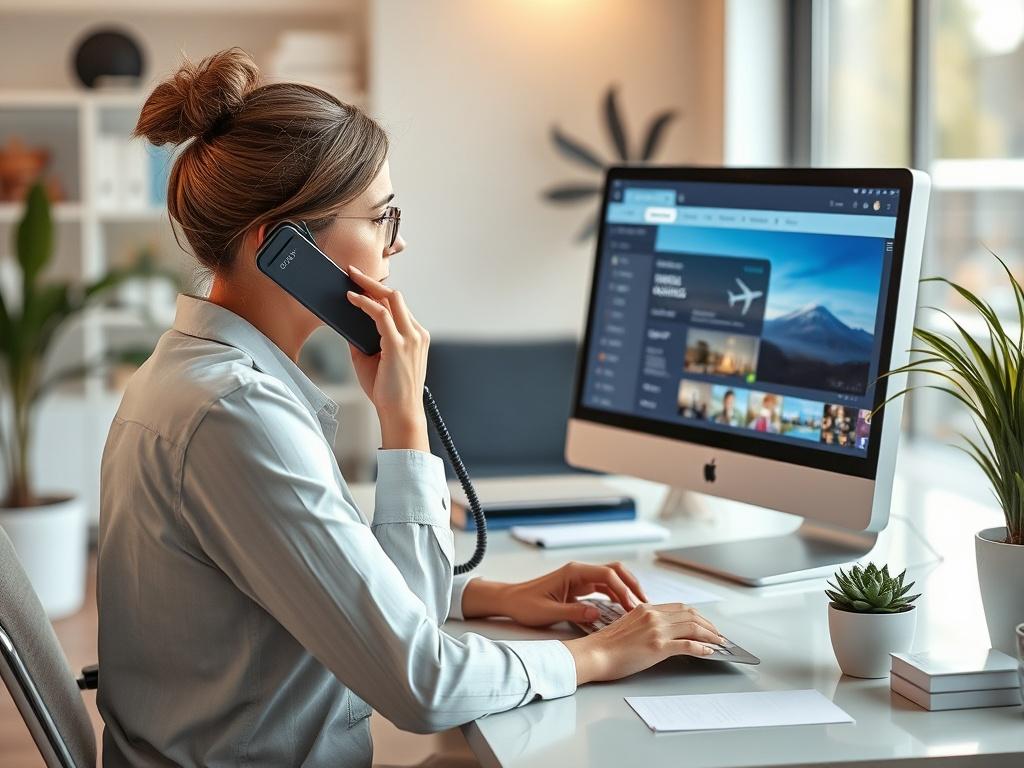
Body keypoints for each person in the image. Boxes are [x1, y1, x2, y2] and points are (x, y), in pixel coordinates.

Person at [96, 48, 723, 768]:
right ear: (285, 250)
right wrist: (600, 656)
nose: (400, 241)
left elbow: (313, 580)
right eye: (381, 217)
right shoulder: (236, 416)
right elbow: (424, 687)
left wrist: (484, 596)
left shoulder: (195, 376)